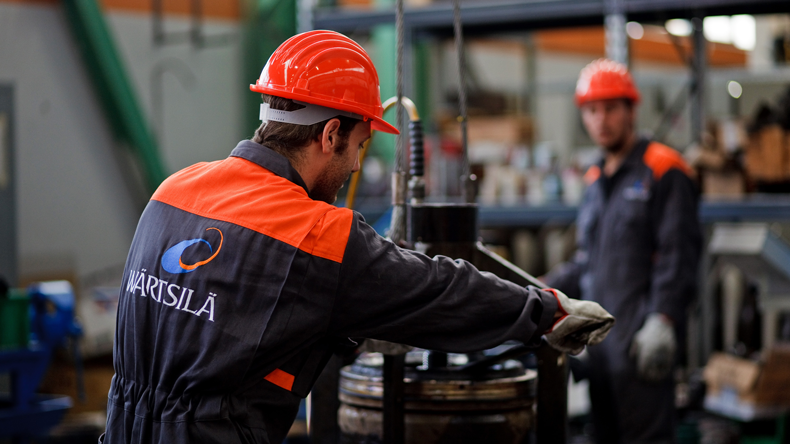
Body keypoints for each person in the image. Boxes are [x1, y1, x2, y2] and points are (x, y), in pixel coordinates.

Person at [100, 31, 614, 444]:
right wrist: (546, 311)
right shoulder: (317, 234)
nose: (355, 165)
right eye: (360, 145)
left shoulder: (175, 188)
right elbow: (439, 290)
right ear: (329, 135)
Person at [544, 59, 702, 444]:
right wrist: (540, 287)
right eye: (592, 110)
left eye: (611, 108)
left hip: (641, 347)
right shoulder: (596, 178)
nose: (601, 120)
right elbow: (587, 260)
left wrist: (662, 320)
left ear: (633, 109)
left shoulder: (664, 169)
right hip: (599, 349)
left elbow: (677, 257)